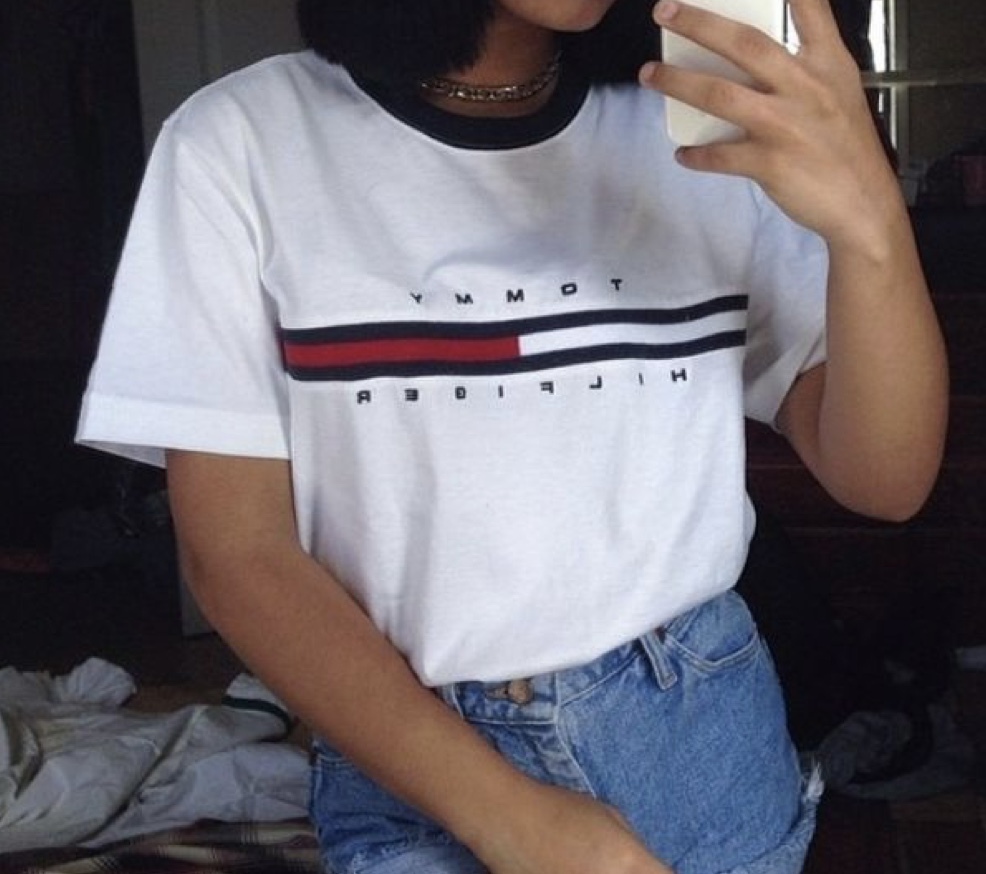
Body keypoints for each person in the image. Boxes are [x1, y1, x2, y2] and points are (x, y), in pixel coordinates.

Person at [76, 1, 948, 871]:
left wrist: (871, 227)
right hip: (414, 764)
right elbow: (237, 553)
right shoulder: (239, 142)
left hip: (704, 741)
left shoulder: (707, 125)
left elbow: (885, 480)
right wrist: (512, 820)